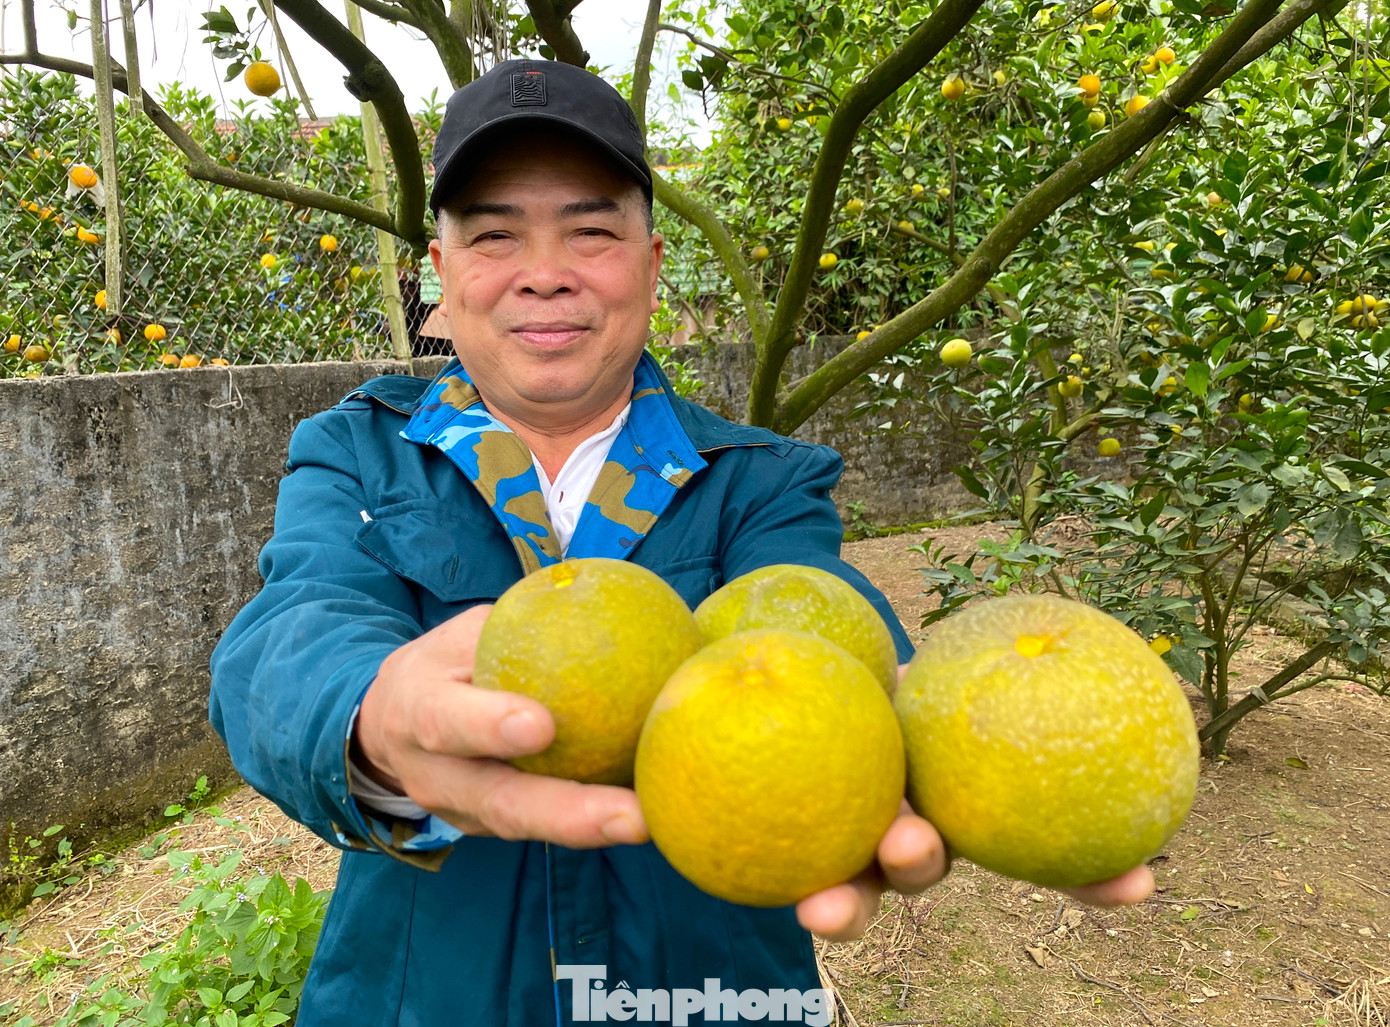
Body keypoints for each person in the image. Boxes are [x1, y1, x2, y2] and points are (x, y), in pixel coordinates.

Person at [209, 58, 1152, 1027]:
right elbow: (294, 626)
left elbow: (809, 600)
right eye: (495, 236)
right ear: (439, 279)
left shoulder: (759, 476)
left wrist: (903, 708)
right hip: (424, 995)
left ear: (651, 267)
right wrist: (366, 716)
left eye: (591, 231)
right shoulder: (357, 451)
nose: (545, 271)